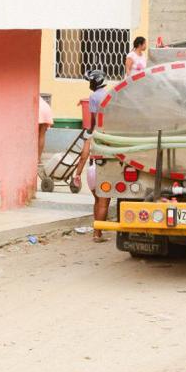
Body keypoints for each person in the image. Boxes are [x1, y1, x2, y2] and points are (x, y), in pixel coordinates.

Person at [76, 69, 111, 242]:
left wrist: (76, 175)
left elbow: (92, 119)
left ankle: (96, 231)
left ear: (95, 82)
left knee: (97, 201)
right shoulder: (110, 95)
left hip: (91, 169)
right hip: (102, 167)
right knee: (104, 202)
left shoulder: (94, 98)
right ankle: (98, 234)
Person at [38, 95, 54, 170]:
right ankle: (38, 159)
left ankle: (36, 158)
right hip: (46, 109)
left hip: (38, 109)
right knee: (42, 135)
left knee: (36, 136)